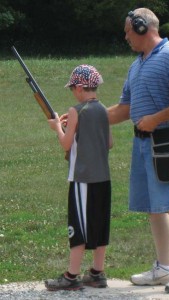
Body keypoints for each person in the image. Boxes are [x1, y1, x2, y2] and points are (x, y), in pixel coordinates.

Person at [106, 7, 169, 294]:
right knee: (155, 206)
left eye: (127, 30)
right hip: (143, 143)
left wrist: (156, 118)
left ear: (141, 27)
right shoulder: (137, 64)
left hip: (167, 142)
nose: (125, 37)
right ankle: (164, 268)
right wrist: (86, 116)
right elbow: (125, 109)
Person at [45, 64, 113, 291]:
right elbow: (109, 143)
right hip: (103, 178)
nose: (72, 91)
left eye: (73, 87)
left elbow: (65, 143)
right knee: (99, 225)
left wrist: (57, 127)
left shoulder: (76, 111)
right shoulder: (103, 109)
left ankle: (71, 276)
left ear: (81, 87)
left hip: (82, 179)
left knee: (79, 227)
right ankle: (97, 273)